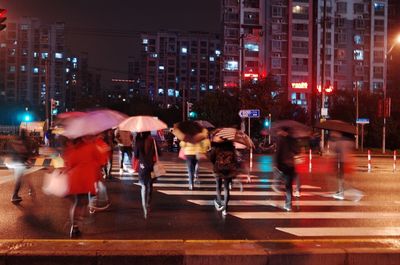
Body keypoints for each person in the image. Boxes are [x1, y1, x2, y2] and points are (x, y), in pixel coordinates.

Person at [63, 135, 105, 238]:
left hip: (75, 179)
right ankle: (78, 221)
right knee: (83, 201)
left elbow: (68, 163)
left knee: (78, 202)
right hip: (86, 179)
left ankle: (75, 226)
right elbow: (100, 161)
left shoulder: (72, 148)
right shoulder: (91, 146)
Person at [209, 141, 239, 217]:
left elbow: (211, 158)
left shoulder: (216, 147)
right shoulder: (231, 147)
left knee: (218, 186)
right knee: (226, 188)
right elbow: (235, 159)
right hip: (228, 169)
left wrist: (216, 163)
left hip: (218, 168)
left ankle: (219, 203)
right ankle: (225, 208)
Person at [274, 127, 299, 211]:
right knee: (289, 185)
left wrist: (276, 163)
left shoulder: (281, 140)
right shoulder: (293, 140)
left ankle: (278, 186)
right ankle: (288, 204)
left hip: (284, 164)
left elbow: (278, 152)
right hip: (291, 164)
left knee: (285, 182)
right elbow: (297, 151)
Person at [7, 129, 35, 203]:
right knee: (19, 180)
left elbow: (10, 149)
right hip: (20, 163)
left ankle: (30, 189)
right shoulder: (25, 142)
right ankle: (14, 196)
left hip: (14, 162)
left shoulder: (14, 141)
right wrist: (28, 160)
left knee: (22, 178)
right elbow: (27, 152)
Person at [134, 131, 157, 219]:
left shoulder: (139, 142)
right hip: (151, 166)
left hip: (142, 167)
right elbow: (158, 153)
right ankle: (148, 204)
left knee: (143, 186)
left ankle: (145, 209)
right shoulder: (153, 141)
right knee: (150, 185)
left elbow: (136, 156)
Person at [328, 130, 355, 200]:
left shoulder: (339, 142)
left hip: (341, 160)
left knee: (340, 177)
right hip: (348, 160)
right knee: (344, 176)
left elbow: (336, 150)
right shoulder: (350, 141)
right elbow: (351, 148)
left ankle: (342, 191)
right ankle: (341, 190)